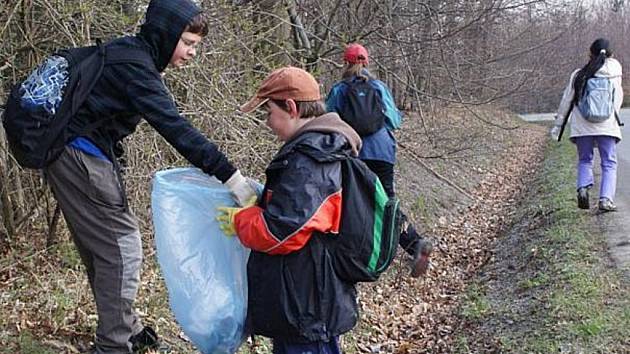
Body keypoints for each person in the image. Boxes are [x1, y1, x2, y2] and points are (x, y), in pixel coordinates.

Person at [43, 0, 256, 353]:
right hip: (78, 154)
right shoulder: (136, 67)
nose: (191, 53)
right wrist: (232, 179)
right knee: (122, 247)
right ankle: (113, 344)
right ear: (167, 33)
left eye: (195, 46)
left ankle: (125, 328)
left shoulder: (131, 54)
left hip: (74, 152)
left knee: (105, 248)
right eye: (187, 43)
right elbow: (177, 128)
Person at [217, 66, 360, 354]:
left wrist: (241, 220)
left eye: (269, 112)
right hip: (302, 300)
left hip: (306, 307)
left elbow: (282, 232)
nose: (268, 122)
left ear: (291, 108)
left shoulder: (310, 158)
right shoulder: (318, 149)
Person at [326, 43, 433, 277]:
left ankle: (361, 254)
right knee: (387, 202)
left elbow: (329, 122)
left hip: (354, 154)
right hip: (383, 152)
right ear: (366, 62)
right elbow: (394, 121)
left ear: (345, 63)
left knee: (354, 205)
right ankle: (414, 245)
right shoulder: (379, 87)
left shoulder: (339, 90)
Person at [550, 38, 623, 212]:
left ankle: (583, 188)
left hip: (582, 127)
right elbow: (617, 100)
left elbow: (567, 100)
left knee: (585, 160)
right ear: (611, 55)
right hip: (607, 126)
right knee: (609, 163)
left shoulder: (579, 74)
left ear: (589, 54)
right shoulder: (614, 73)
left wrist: (558, 125)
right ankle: (605, 200)